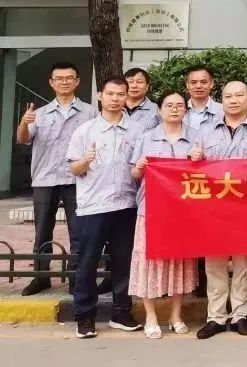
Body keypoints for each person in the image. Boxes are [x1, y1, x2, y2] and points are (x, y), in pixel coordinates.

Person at [66, 76, 143, 339]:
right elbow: (73, 168)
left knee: (123, 263)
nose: (115, 99)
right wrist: (85, 161)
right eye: (110, 94)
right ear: (100, 96)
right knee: (87, 263)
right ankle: (84, 316)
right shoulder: (85, 130)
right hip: (93, 207)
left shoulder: (136, 131)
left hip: (126, 205)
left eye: (121, 94)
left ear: (126, 97)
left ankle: (121, 313)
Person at [17, 62, 97, 297]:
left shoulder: (90, 113)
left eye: (69, 78)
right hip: (45, 178)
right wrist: (24, 122)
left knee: (78, 231)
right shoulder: (39, 113)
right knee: (42, 230)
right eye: (59, 78)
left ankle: (75, 278)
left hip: (77, 178)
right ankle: (41, 277)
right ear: (51, 83)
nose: (64, 82)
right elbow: (23, 139)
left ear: (77, 81)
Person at [128, 91, 200, 339]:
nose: (174, 109)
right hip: (150, 209)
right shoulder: (146, 138)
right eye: (169, 105)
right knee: (149, 261)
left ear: (186, 110)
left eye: (179, 105)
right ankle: (151, 316)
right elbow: (134, 174)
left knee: (179, 262)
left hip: (183, 211)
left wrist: (199, 160)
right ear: (159, 110)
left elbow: (203, 173)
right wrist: (139, 167)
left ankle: (175, 315)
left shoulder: (195, 138)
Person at [195, 80, 247, 339]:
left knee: (244, 262)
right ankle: (216, 317)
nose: (234, 100)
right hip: (214, 207)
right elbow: (194, 168)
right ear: (221, 99)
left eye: (239, 95)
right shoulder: (205, 131)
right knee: (214, 264)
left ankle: (241, 315)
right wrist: (194, 158)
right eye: (228, 96)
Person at [183, 65, 222, 134]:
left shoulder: (223, 111)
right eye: (193, 82)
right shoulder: (178, 111)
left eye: (203, 82)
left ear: (211, 83)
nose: (198, 86)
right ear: (187, 85)